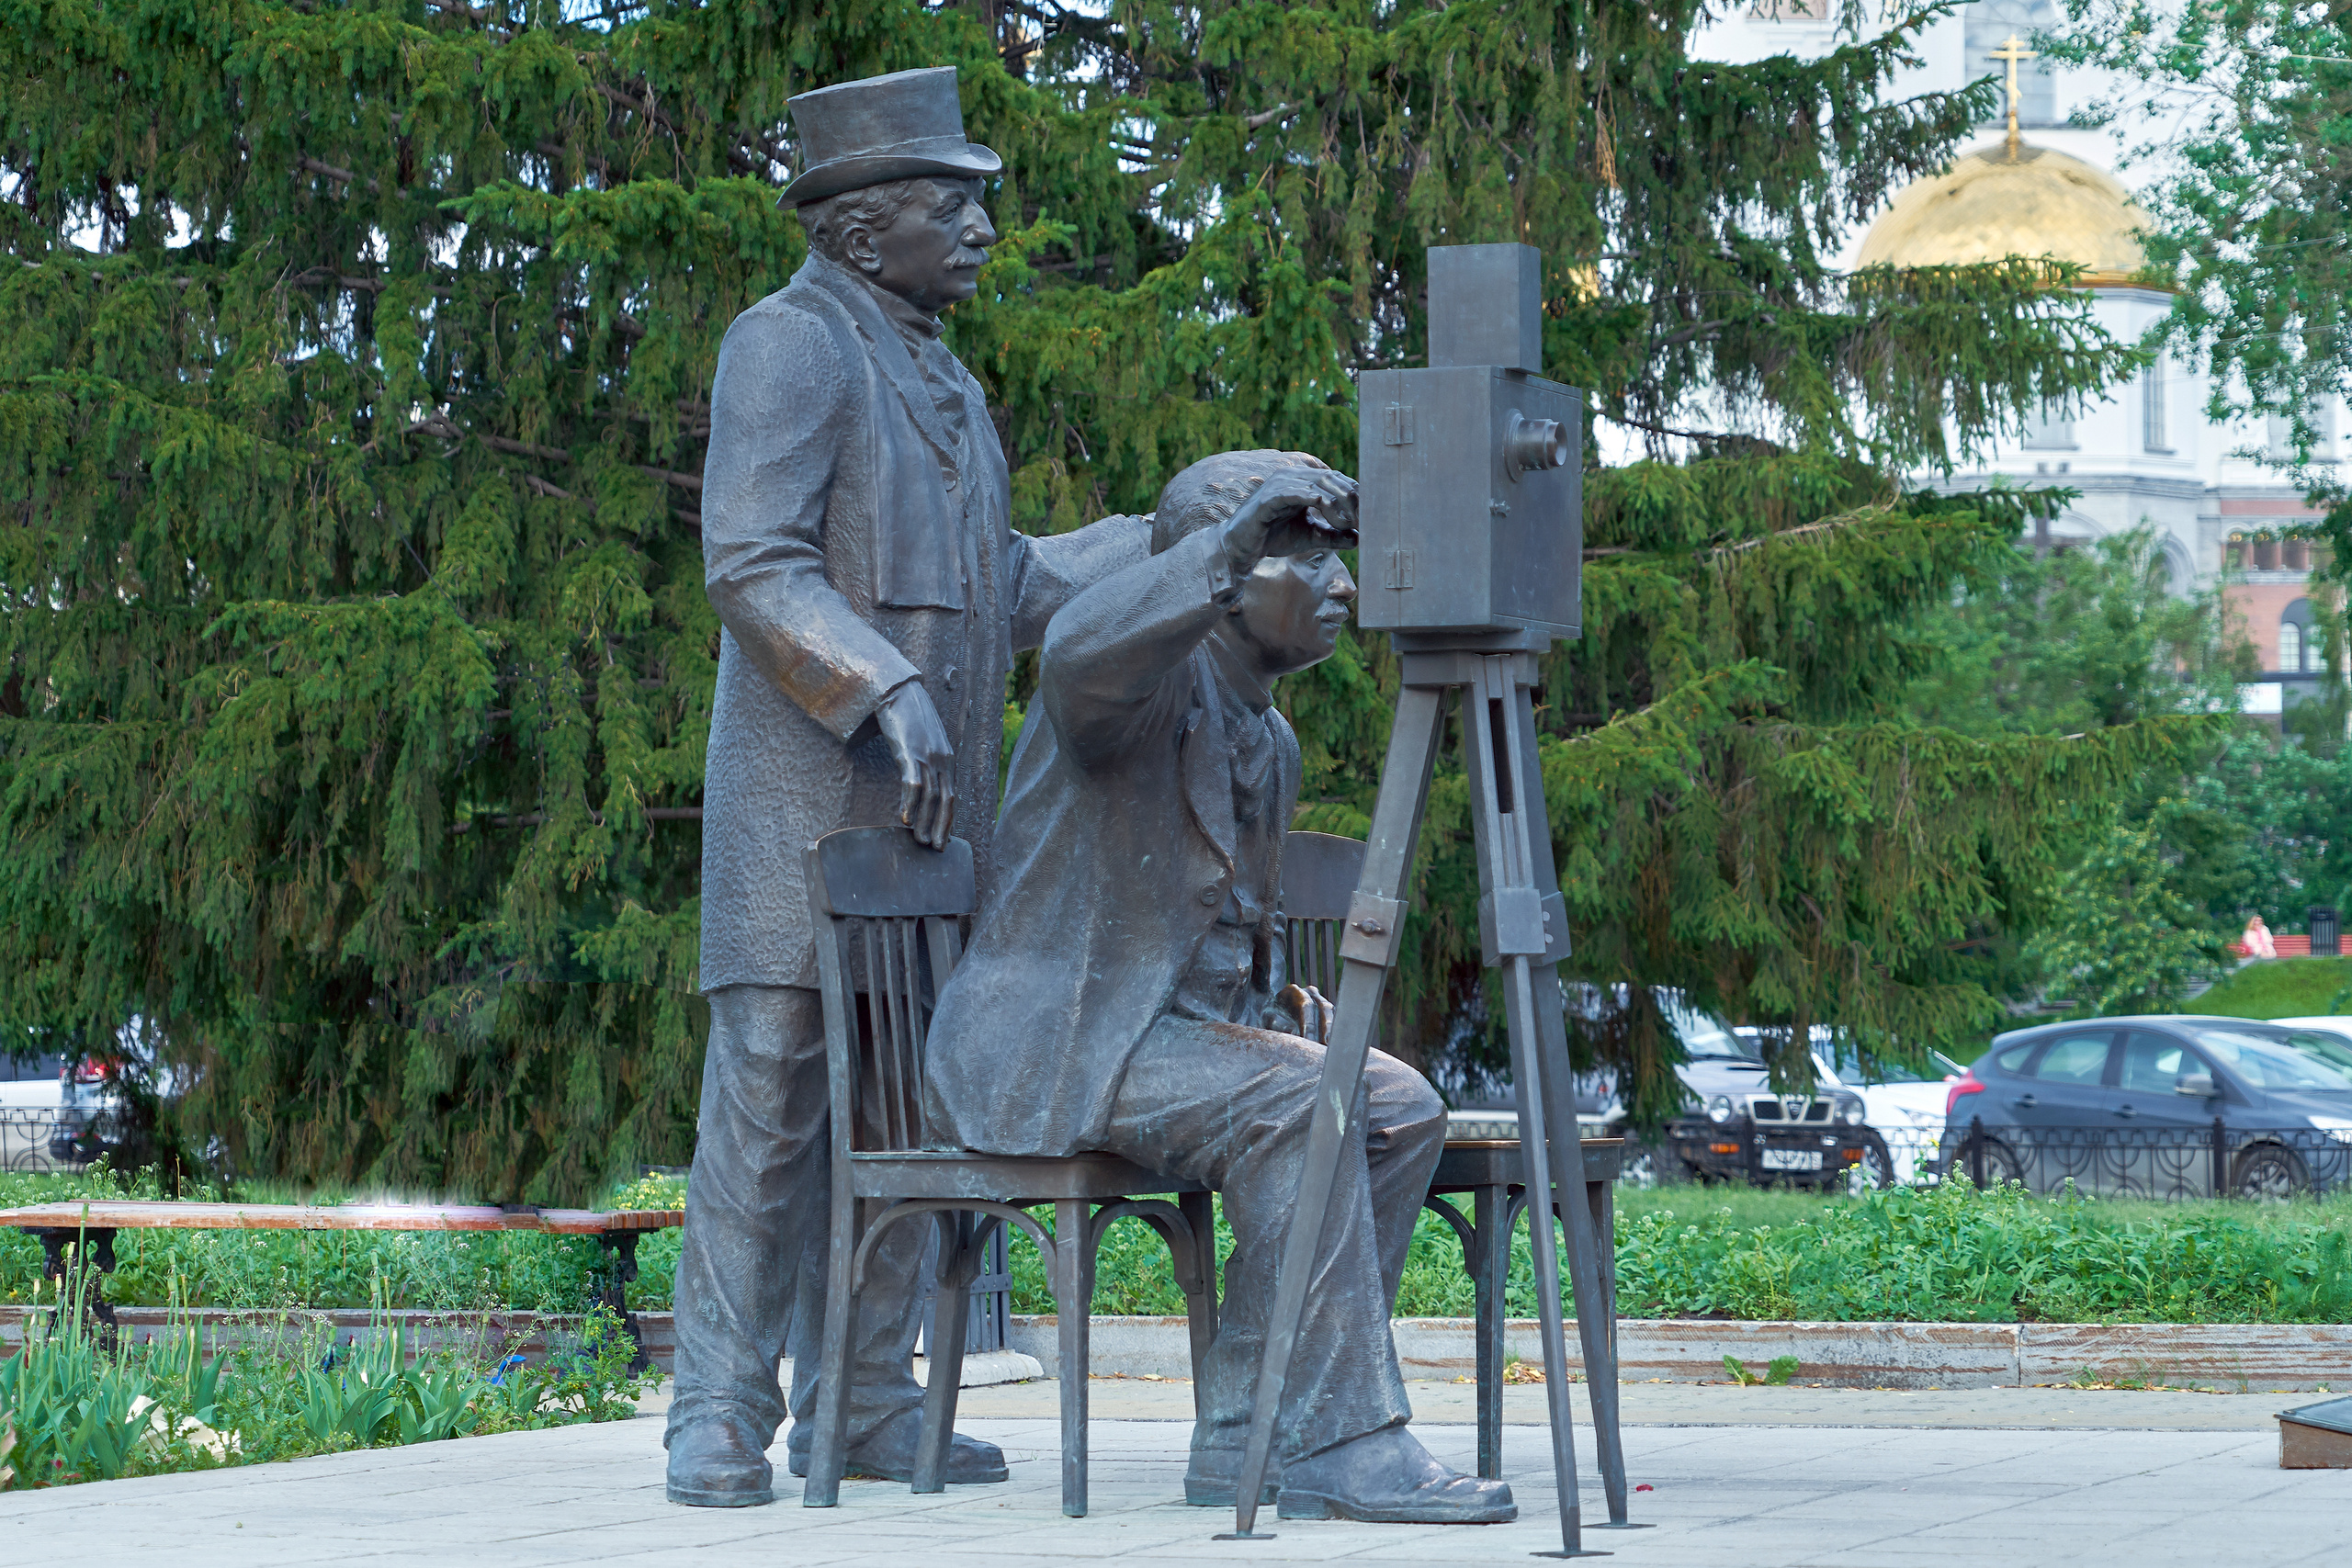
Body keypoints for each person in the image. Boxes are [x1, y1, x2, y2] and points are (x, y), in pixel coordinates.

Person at [670, 66, 1147, 1507]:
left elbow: (1002, 585)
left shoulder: (945, 381)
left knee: (900, 1106)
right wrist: (876, 683)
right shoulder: (790, 344)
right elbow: (752, 558)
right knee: (771, 1100)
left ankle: (869, 1397)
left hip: (930, 819)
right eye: (959, 203)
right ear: (868, 227)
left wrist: (1163, 539)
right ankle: (716, 1413)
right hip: (801, 804)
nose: (985, 229)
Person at [922, 450, 1518, 1525]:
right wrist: (1223, 543)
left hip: (1178, 1040)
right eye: (1309, 561)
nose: (1343, 591)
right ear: (1231, 575)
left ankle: (1255, 1429)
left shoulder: (1271, 736)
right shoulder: (1134, 686)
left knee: (1397, 1104)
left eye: (1343, 564)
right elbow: (1074, 655)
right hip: (1067, 1037)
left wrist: (1267, 1009)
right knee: (1306, 1100)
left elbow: (1214, 918)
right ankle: (1342, 1440)